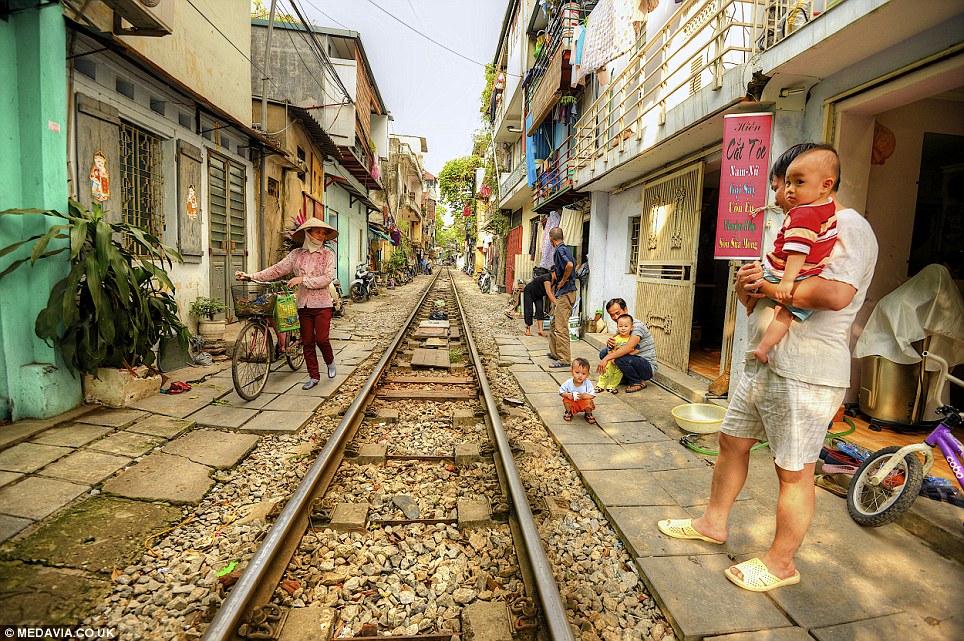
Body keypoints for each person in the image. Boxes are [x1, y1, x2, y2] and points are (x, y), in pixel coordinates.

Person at [656, 143, 878, 593]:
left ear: (821, 184)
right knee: (730, 441)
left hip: (806, 370)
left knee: (793, 469)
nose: (782, 195)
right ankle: (712, 522)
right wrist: (747, 288)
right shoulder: (794, 228)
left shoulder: (849, 225)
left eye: (787, 184)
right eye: (783, 184)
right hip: (766, 362)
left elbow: (836, 295)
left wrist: (772, 285)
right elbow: (761, 298)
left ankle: (781, 563)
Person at [750, 148, 839, 363]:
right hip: (796, 277)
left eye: (798, 182)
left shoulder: (804, 213)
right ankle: (763, 348)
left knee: (764, 295)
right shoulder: (826, 209)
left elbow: (799, 249)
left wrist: (781, 283)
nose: (789, 190)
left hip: (783, 275)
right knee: (784, 314)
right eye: (788, 183)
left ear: (826, 185)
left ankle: (761, 343)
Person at [236, 218, 339, 390]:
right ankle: (314, 376)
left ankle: (330, 362)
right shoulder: (296, 255)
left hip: (322, 304)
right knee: (307, 342)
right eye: (318, 232)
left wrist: (302, 279)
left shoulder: (328, 255)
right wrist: (251, 276)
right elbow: (276, 270)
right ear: (308, 233)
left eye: (323, 233)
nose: (321, 236)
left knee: (321, 339)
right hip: (303, 304)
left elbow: (327, 279)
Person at [596, 298, 657, 393]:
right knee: (604, 352)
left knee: (618, 357)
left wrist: (606, 359)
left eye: (617, 313)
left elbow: (629, 347)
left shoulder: (636, 326)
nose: (615, 317)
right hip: (631, 360)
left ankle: (637, 381)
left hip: (645, 368)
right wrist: (610, 344)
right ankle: (625, 377)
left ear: (625, 310)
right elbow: (616, 345)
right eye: (611, 315)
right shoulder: (621, 324)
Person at [547, 227, 577, 368]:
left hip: (565, 293)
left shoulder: (559, 250)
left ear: (551, 239)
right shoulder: (567, 249)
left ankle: (564, 359)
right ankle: (555, 353)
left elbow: (570, 266)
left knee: (561, 327)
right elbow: (575, 265)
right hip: (567, 292)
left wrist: (564, 280)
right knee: (554, 325)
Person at [597, 314, 635, 393]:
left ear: (632, 328)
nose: (623, 328)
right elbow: (609, 349)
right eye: (620, 326)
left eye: (626, 326)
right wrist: (611, 358)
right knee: (606, 372)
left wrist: (630, 354)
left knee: (617, 375)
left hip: (621, 362)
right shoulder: (615, 338)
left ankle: (611, 387)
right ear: (617, 327)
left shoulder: (631, 340)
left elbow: (637, 349)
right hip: (612, 361)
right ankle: (600, 385)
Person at [559, 358, 596, 425]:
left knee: (589, 403)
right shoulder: (568, 382)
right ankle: (568, 412)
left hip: (583, 402)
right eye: (577, 372)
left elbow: (592, 395)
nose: (580, 376)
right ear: (571, 372)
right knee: (566, 401)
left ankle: (588, 414)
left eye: (583, 373)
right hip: (573, 401)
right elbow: (561, 392)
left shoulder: (587, 383)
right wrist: (567, 395)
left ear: (587, 374)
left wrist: (583, 396)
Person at [518, 272, 554, 336]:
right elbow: (548, 292)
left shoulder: (555, 281)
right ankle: (527, 329)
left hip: (539, 294)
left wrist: (553, 303)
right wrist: (556, 303)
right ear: (554, 273)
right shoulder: (547, 278)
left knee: (540, 310)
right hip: (529, 292)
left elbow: (552, 292)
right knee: (529, 310)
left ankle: (540, 330)